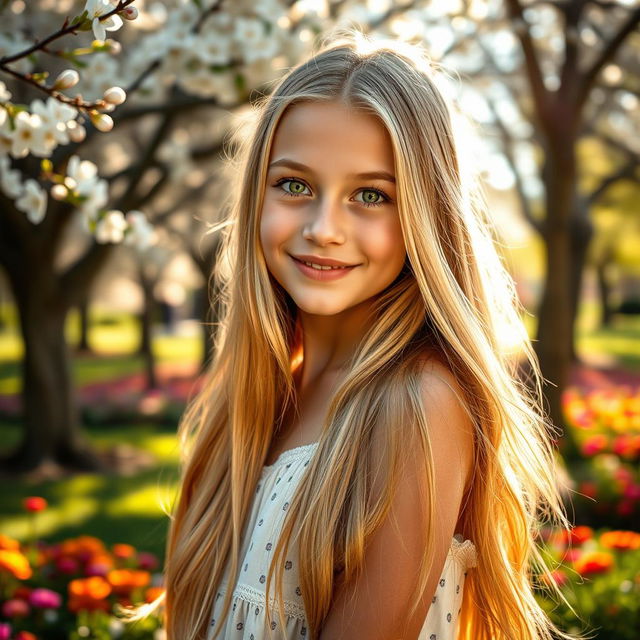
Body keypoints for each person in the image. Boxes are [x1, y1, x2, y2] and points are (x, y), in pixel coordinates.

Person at [121, 30, 589, 640]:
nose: (323, 228)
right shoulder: (262, 398)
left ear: (425, 215)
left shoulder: (415, 406)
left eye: (371, 195)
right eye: (294, 185)